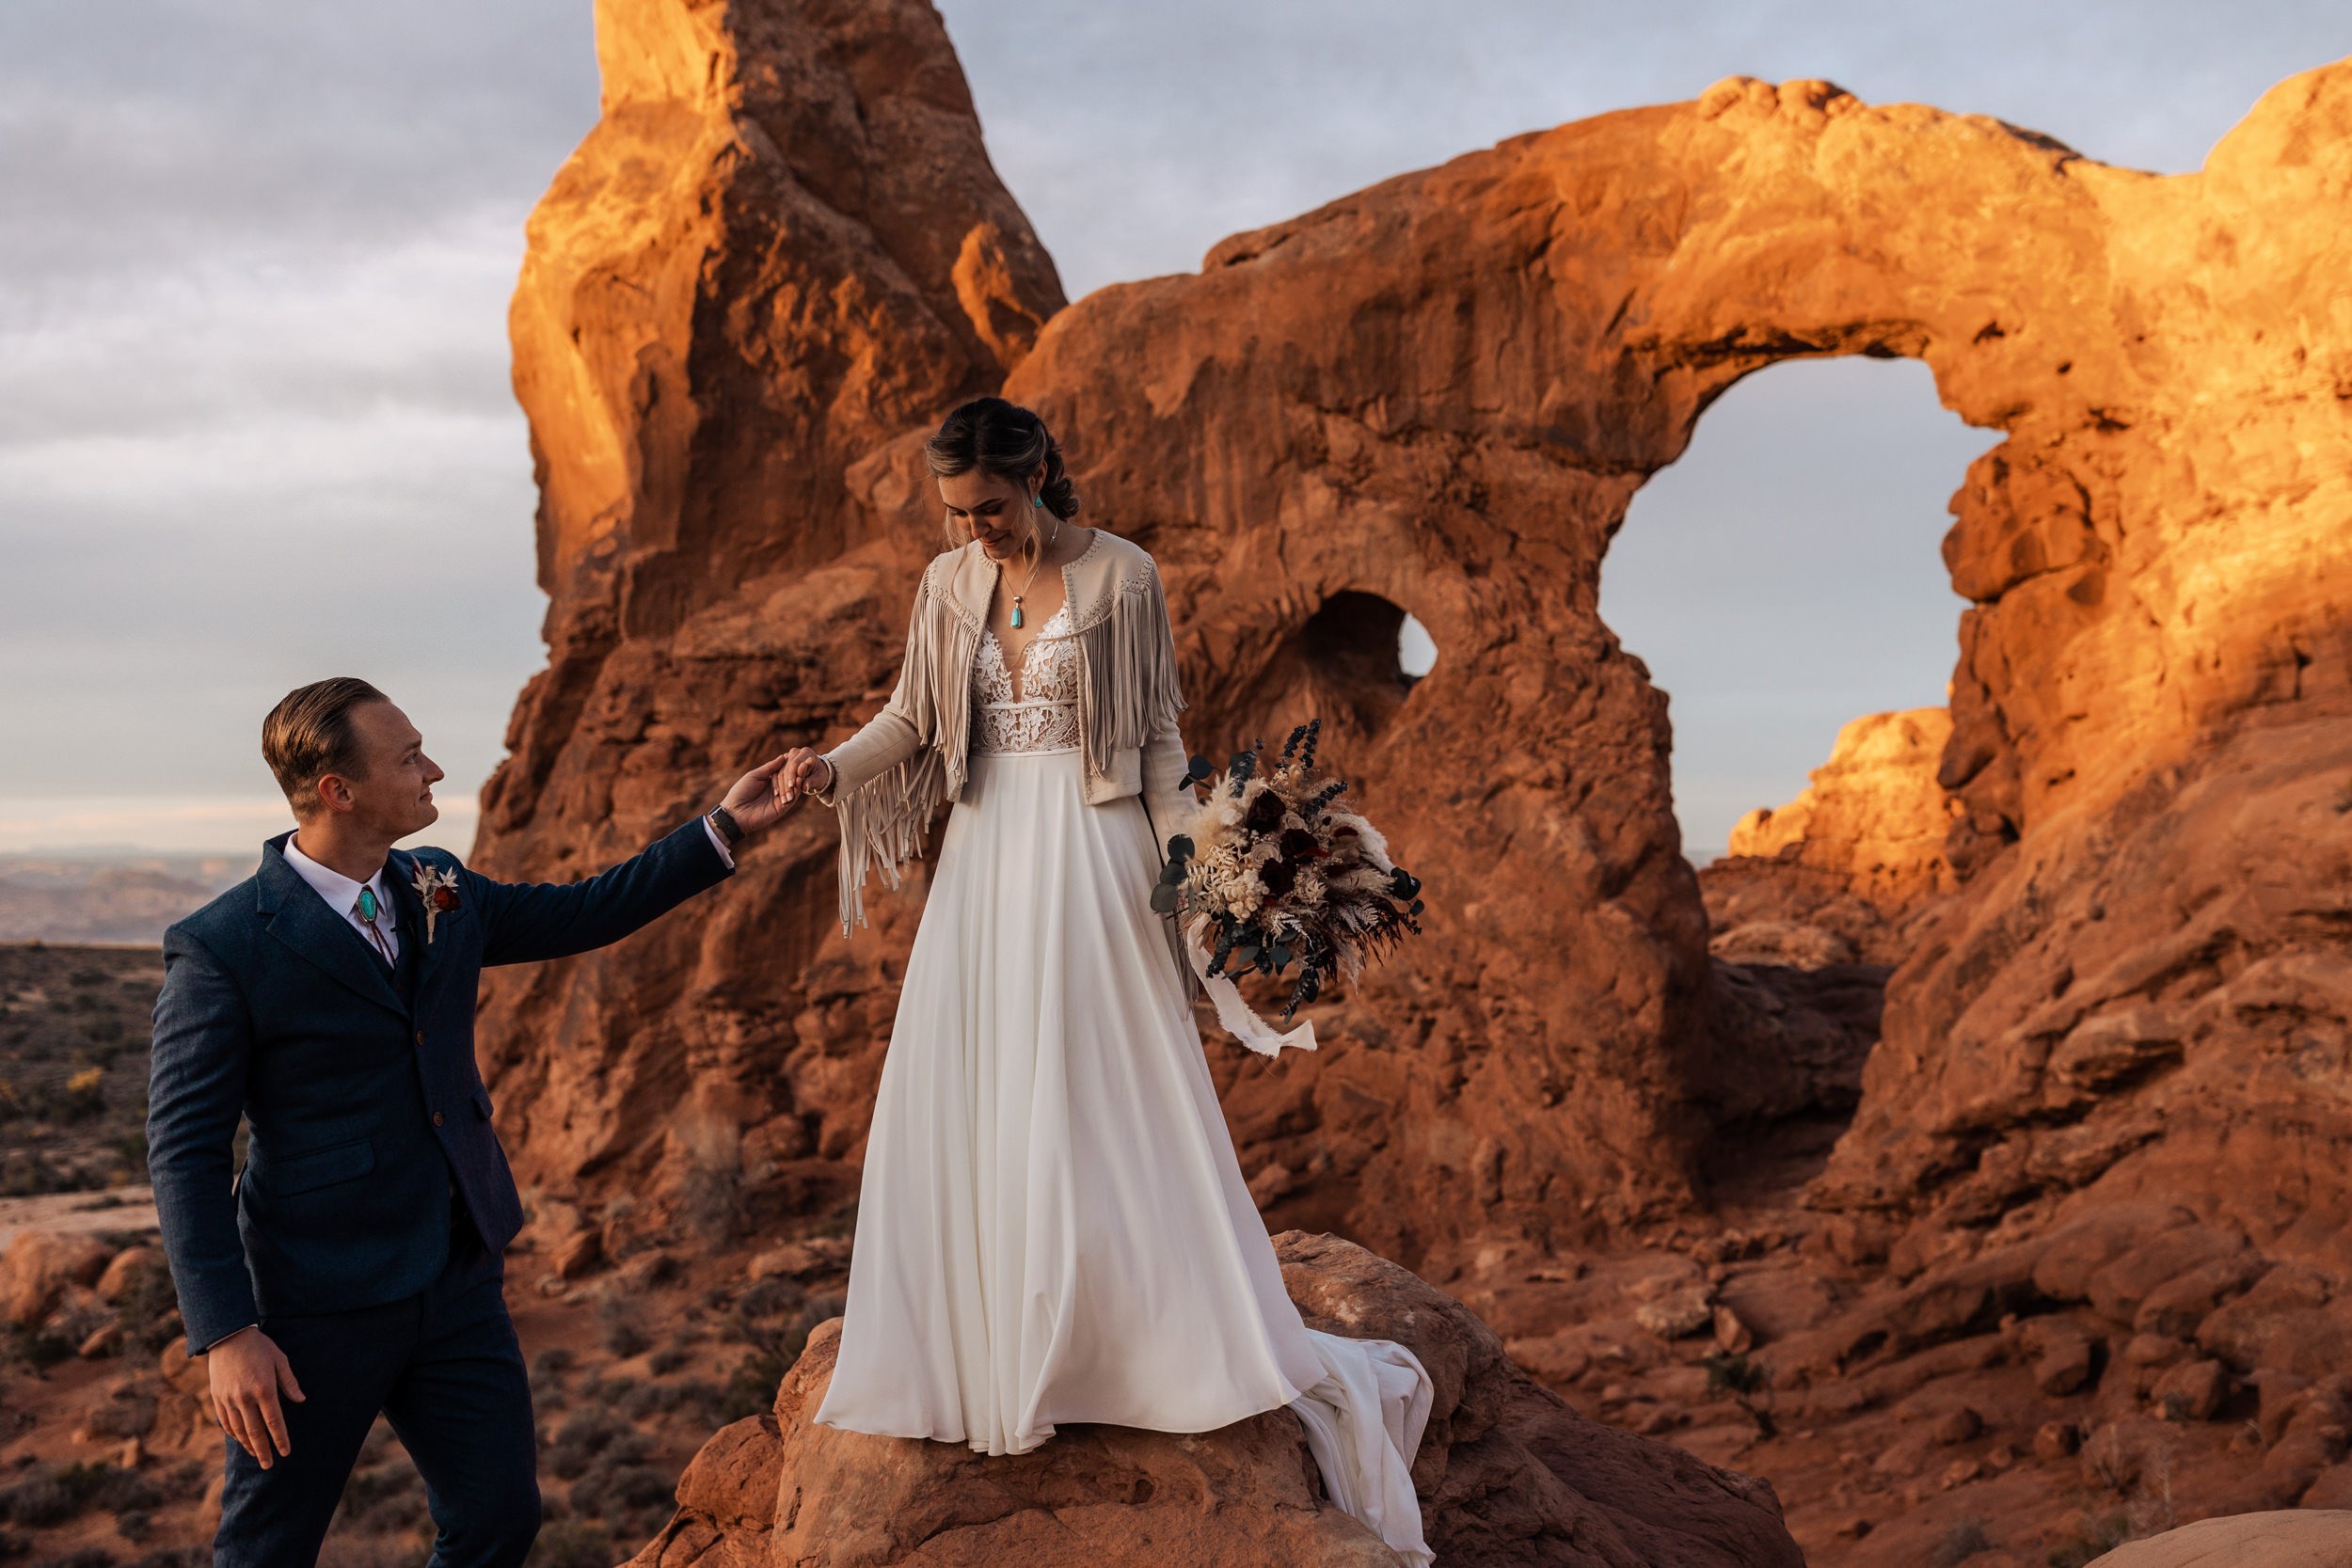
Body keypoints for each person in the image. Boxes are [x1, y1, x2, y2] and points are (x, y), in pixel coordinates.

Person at [777, 397, 1434, 1564]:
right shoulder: (945, 585)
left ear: (1036, 478)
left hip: (1094, 854)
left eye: (988, 506)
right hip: (982, 861)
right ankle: (994, 1356)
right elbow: (912, 719)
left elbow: (1163, 750)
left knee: (1097, 1090)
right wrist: (821, 771)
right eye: (955, 514)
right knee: (980, 1093)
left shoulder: (1124, 576)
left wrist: (1227, 856)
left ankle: (1129, 1346)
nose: (974, 530)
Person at [146, 678, 797, 1568]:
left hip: (457, 1276)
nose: (434, 770)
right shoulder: (224, 945)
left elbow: (583, 910)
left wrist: (718, 829)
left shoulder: (436, 882)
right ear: (338, 789)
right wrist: (226, 1332)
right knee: (267, 1550)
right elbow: (183, 1152)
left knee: (498, 1519)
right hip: (313, 1304)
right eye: (408, 757)